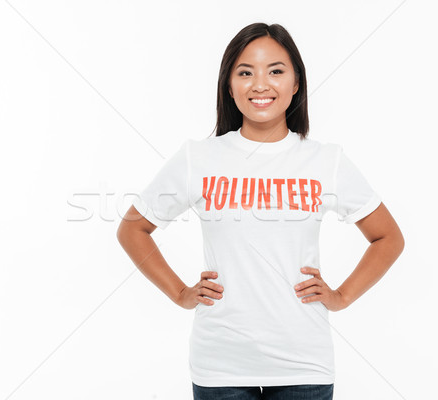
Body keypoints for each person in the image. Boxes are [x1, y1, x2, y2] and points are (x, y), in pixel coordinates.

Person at [117, 22, 404, 400]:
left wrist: (341, 296)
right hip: (220, 364)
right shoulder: (198, 158)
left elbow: (388, 238)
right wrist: (181, 293)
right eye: (245, 72)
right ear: (229, 84)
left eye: (276, 71)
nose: (260, 84)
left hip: (304, 363)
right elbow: (133, 229)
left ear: (296, 82)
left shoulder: (325, 160)